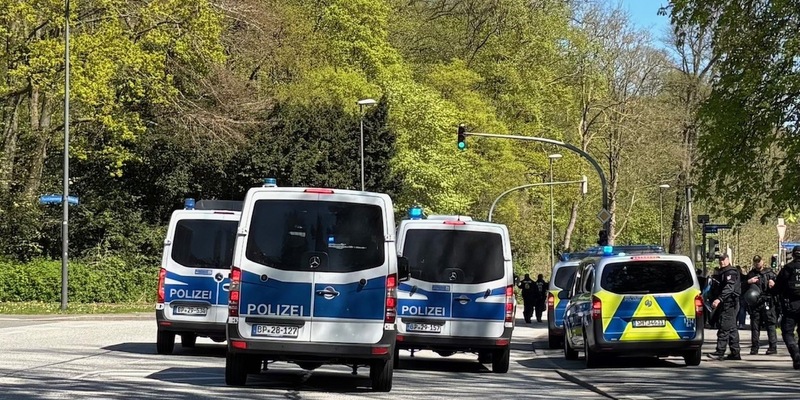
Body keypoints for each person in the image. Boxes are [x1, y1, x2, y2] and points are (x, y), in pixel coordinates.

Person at [707, 253, 741, 361]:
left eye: (723, 259)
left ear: (727, 259)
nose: (721, 261)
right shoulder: (723, 272)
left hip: (729, 303)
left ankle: (720, 352)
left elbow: (729, 288)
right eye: (720, 260)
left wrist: (719, 299)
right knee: (732, 328)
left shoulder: (730, 272)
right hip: (727, 303)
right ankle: (735, 352)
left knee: (724, 327)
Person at [745, 255, 778, 355]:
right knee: (755, 326)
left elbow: (779, 287)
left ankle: (773, 347)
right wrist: (748, 282)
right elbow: (743, 287)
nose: (757, 263)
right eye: (755, 262)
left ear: (762, 261)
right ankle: (754, 347)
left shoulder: (770, 273)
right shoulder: (751, 274)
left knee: (770, 325)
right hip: (756, 304)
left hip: (768, 301)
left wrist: (773, 283)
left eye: (759, 261)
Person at [774, 246, 800, 369]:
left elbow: (778, 286)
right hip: (792, 305)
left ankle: (795, 353)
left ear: (793, 255)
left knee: (787, 332)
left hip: (791, 306)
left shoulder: (788, 268)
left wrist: (770, 290)